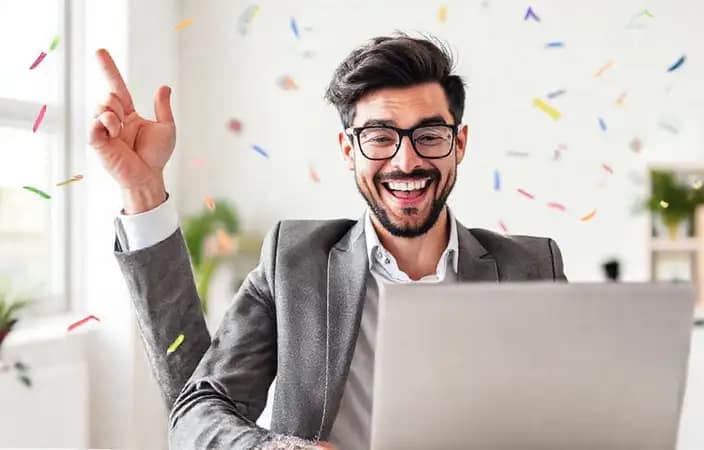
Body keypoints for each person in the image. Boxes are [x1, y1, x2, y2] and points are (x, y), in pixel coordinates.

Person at [91, 33, 567, 450]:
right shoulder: (296, 261)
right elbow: (198, 408)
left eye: (429, 135)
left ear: (458, 144)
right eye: (380, 136)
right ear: (348, 150)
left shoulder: (531, 266)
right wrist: (143, 189)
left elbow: (580, 410)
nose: (406, 161)